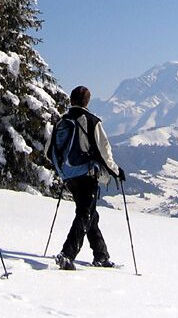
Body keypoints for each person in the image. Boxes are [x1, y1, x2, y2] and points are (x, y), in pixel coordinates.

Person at [51, 85, 125, 270]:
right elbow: (104, 150)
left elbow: (49, 150)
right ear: (87, 101)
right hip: (86, 174)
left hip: (69, 176)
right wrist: (116, 171)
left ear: (71, 100)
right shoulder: (91, 121)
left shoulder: (62, 122)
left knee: (90, 213)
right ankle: (67, 254)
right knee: (85, 214)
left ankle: (101, 255)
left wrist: (63, 170)